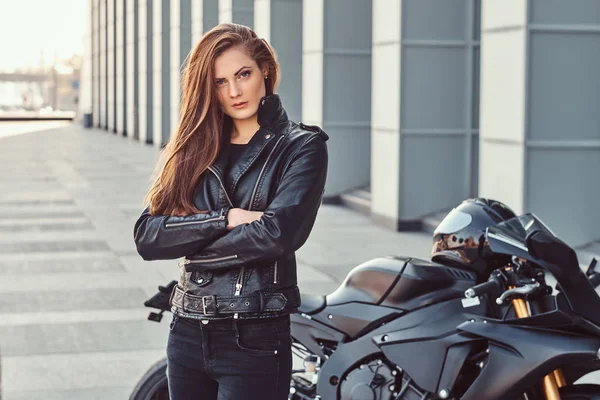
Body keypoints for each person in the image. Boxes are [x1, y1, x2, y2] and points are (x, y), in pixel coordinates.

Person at [133, 23, 329, 400]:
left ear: (265, 71)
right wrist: (226, 219)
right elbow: (147, 235)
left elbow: (277, 235)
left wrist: (190, 246)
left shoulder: (302, 147)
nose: (235, 91)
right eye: (220, 82)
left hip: (253, 337)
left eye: (243, 74)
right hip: (187, 331)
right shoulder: (193, 147)